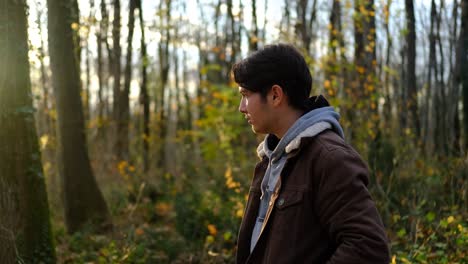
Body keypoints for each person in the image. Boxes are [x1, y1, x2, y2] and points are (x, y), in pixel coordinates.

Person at [231, 44, 390, 263]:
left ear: (276, 95)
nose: (242, 107)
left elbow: (369, 247)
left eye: (246, 95)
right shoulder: (269, 160)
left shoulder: (329, 158)